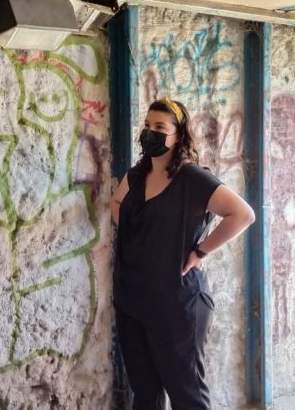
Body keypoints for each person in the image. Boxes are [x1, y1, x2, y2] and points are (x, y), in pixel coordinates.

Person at [110, 97, 256, 409]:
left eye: (160, 128)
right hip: (132, 302)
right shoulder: (136, 175)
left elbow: (242, 214)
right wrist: (139, 234)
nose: (150, 133)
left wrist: (201, 251)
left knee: (186, 395)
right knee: (145, 394)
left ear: (178, 135)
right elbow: (116, 203)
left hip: (177, 305)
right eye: (147, 125)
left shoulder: (192, 179)